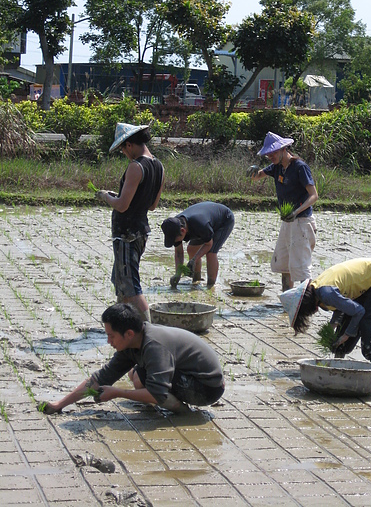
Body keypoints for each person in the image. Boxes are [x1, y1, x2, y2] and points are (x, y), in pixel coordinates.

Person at [39, 303, 225, 415]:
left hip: (207, 388)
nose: (108, 341)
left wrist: (118, 392)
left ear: (128, 333)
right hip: (185, 373)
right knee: (137, 375)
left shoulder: (154, 346)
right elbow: (100, 379)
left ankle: (185, 413)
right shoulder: (131, 343)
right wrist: (60, 404)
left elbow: (156, 394)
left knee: (146, 381)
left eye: (111, 336)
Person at [95, 123, 164, 321]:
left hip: (127, 233)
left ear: (130, 145)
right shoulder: (159, 166)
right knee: (122, 282)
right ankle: (121, 324)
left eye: (123, 149)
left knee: (132, 286)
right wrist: (119, 197)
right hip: (141, 230)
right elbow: (152, 205)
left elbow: (123, 205)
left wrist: (106, 196)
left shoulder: (136, 167)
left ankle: (147, 329)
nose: (125, 154)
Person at [279, 257, 371, 363]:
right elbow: (342, 304)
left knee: (370, 321)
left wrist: (347, 335)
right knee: (346, 321)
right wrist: (334, 324)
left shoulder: (326, 294)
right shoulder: (317, 290)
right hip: (366, 281)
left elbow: (358, 311)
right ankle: (338, 363)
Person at [247, 131, 318, 291]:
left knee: (301, 266)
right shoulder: (277, 167)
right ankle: (287, 300)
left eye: (273, 153)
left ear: (284, 149)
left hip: (301, 222)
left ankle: (305, 302)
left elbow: (314, 196)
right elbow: (258, 176)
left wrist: (296, 211)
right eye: (268, 155)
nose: (271, 156)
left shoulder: (300, 167)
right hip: (287, 222)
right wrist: (252, 173)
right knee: (285, 264)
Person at [161, 201, 234, 288]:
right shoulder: (174, 226)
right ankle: (196, 280)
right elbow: (179, 253)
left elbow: (208, 244)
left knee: (211, 253)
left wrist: (194, 259)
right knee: (191, 249)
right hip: (204, 221)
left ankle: (210, 285)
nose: (175, 242)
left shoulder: (200, 225)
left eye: (174, 240)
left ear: (183, 231)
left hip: (223, 220)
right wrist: (178, 274)